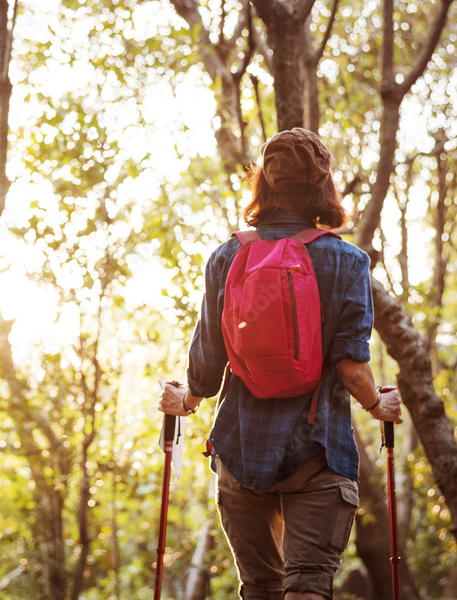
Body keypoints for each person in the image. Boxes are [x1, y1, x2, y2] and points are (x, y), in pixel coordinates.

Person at [159, 128, 403, 600]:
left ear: (263, 184)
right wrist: (378, 404)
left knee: (259, 588)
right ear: (322, 186)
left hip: (240, 450)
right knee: (308, 586)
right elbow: (352, 369)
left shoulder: (228, 256)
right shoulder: (348, 262)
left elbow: (207, 365)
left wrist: (183, 401)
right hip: (318, 450)